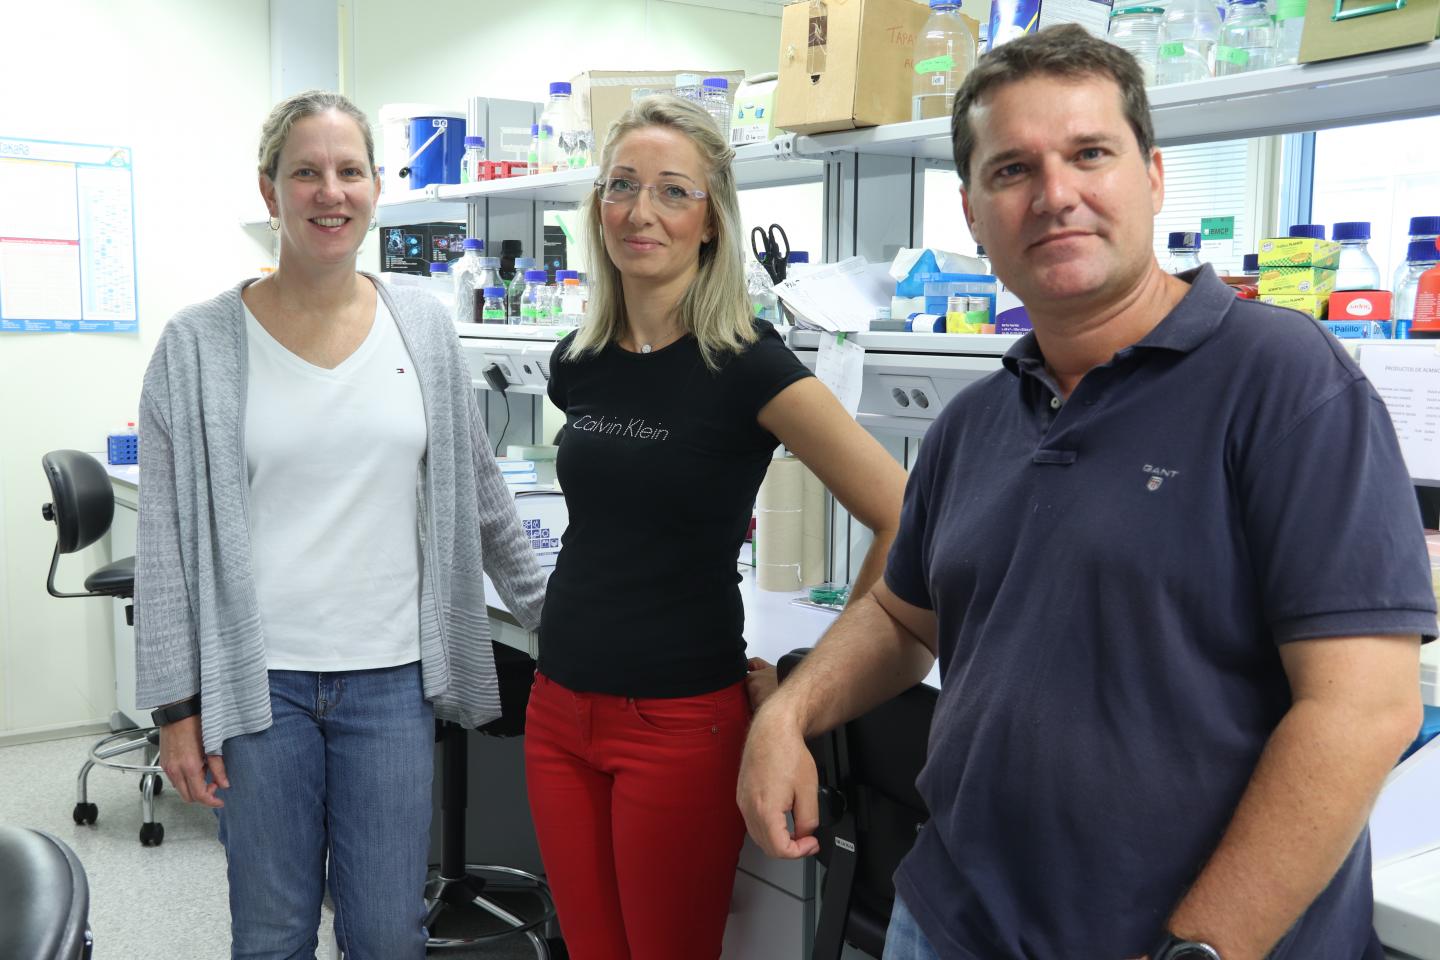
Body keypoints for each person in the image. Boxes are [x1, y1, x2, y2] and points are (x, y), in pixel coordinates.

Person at [738, 25, 1433, 960]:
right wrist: (792, 708)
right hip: (950, 918)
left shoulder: (1282, 381)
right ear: (973, 212)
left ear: (1151, 177)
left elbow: (1363, 708)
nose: (1055, 195)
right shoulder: (975, 422)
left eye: (1089, 154)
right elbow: (906, 622)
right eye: (1013, 169)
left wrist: (1200, 949)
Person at [134, 90, 546, 960]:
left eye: (349, 171)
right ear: (269, 190)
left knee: (386, 934)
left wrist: (558, 618)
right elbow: (165, 545)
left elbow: (481, 497)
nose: (331, 192)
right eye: (306, 173)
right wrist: (176, 712)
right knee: (274, 932)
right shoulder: (198, 344)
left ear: (376, 186)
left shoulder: (424, 326)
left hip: (393, 682)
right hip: (261, 690)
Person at [524, 94, 908, 960]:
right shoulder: (577, 361)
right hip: (557, 709)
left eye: (672, 191)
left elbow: (904, 515)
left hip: (678, 723)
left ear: (711, 221)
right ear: (597, 207)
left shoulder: (747, 364)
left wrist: (835, 659)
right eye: (622, 186)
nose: (640, 211)